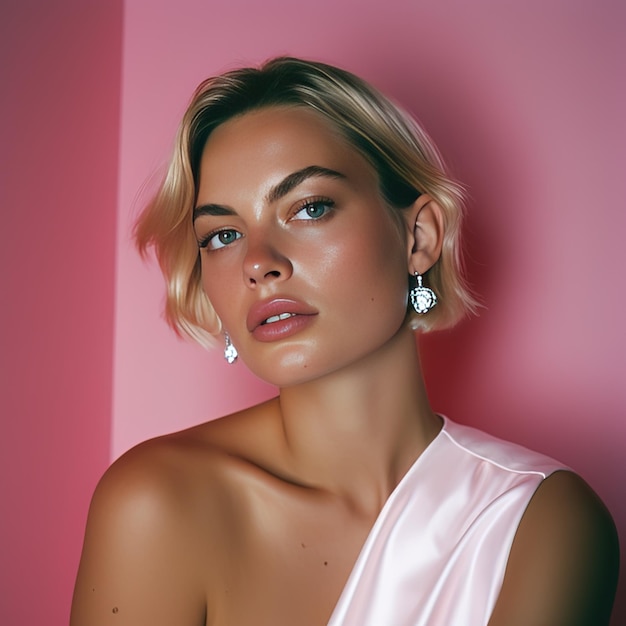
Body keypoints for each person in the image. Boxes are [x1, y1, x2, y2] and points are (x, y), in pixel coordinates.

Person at [71, 57, 619, 625]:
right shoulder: (157, 506)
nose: (259, 263)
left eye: (309, 208)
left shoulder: (539, 519)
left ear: (419, 236)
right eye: (223, 234)